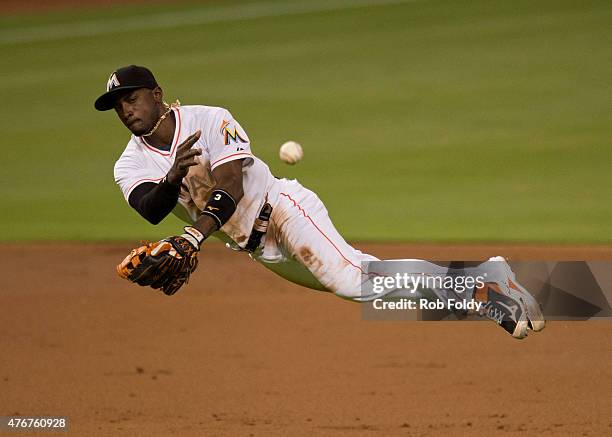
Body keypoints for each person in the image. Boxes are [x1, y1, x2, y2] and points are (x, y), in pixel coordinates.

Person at [95, 65, 545, 339]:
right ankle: (486, 281)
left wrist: (194, 234)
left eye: (130, 99)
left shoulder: (212, 119)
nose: (126, 111)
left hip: (285, 210)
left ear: (156, 95)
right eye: (117, 107)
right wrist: (172, 177)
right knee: (367, 284)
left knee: (355, 280)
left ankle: (485, 289)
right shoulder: (128, 164)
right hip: (257, 248)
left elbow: (230, 186)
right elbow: (150, 209)